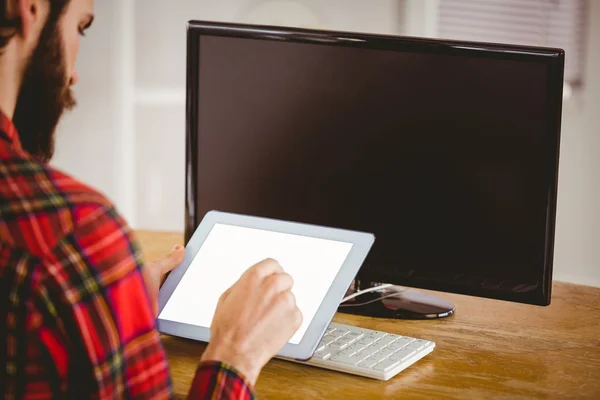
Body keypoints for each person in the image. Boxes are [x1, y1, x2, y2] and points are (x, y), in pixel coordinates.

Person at [0, 0, 303, 398]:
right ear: (32, 8)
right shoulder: (72, 231)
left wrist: (107, 296)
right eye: (80, 27)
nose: (73, 75)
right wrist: (235, 353)